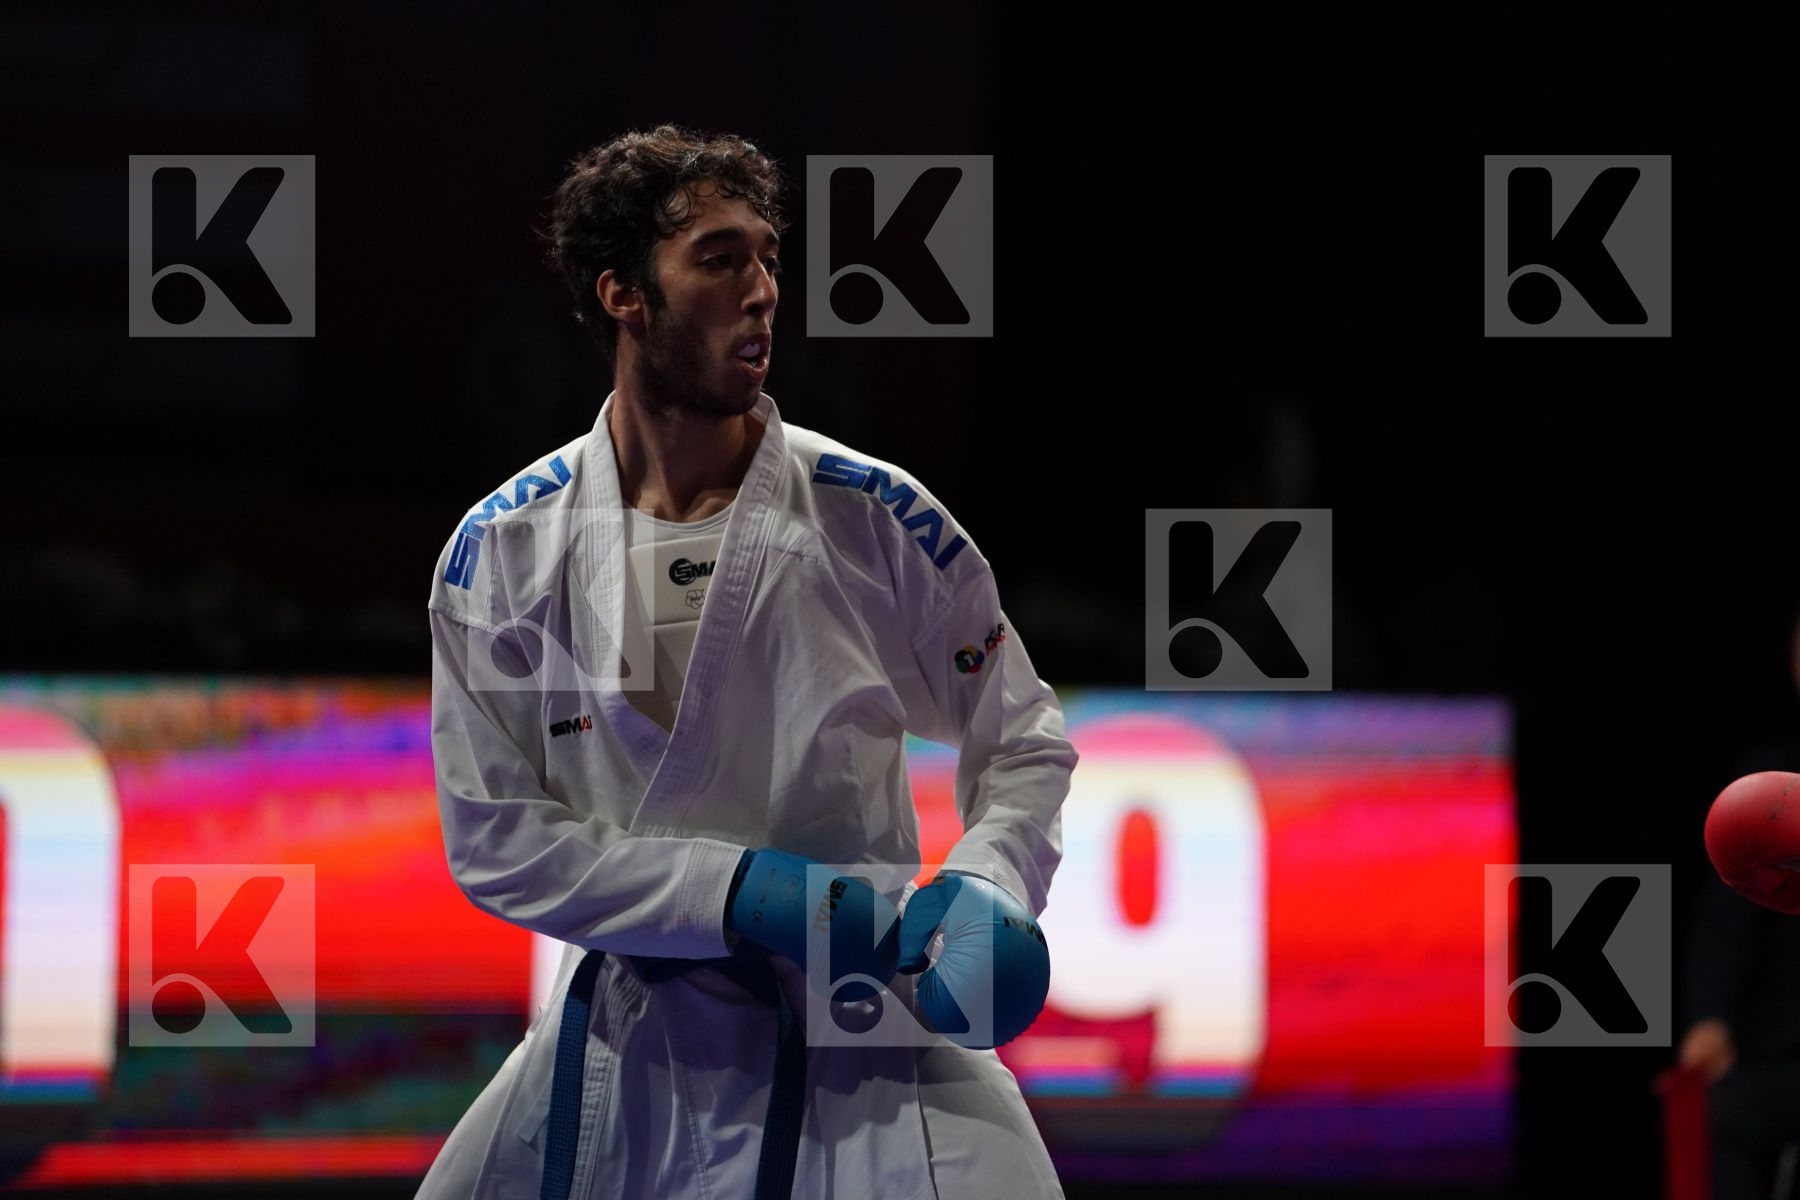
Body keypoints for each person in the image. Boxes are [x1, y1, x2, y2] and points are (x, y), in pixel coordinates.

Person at [415, 125, 1076, 1200]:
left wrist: (986, 883)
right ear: (624, 293)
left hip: (861, 1024)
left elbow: (1025, 740)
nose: (763, 289)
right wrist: (739, 894)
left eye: (767, 257)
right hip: (629, 1046)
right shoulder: (503, 551)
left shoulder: (872, 518)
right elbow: (495, 841)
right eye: (720, 260)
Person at [1682, 605, 1800, 1200]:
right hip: (1785, 1055)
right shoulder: (1768, 780)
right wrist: (1711, 1018)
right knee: (1717, 1115)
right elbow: (1726, 921)